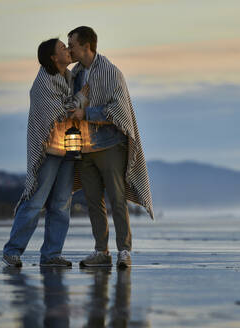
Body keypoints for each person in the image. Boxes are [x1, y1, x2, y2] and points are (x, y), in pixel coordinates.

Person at [67, 26, 154, 269]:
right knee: (93, 201)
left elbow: (118, 110)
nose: (69, 49)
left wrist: (86, 112)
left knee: (117, 199)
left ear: (86, 46)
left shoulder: (111, 72)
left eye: (72, 44)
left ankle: (124, 251)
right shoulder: (75, 74)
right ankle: (101, 251)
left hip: (110, 145)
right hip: (84, 148)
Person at [2, 38, 89, 267]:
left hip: (69, 149)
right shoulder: (43, 83)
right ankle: (12, 251)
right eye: (63, 48)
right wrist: (80, 98)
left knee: (61, 204)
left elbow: (70, 109)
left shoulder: (69, 79)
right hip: (47, 151)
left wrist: (77, 98)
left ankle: (51, 255)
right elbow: (63, 111)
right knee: (35, 201)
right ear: (53, 57)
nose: (68, 50)